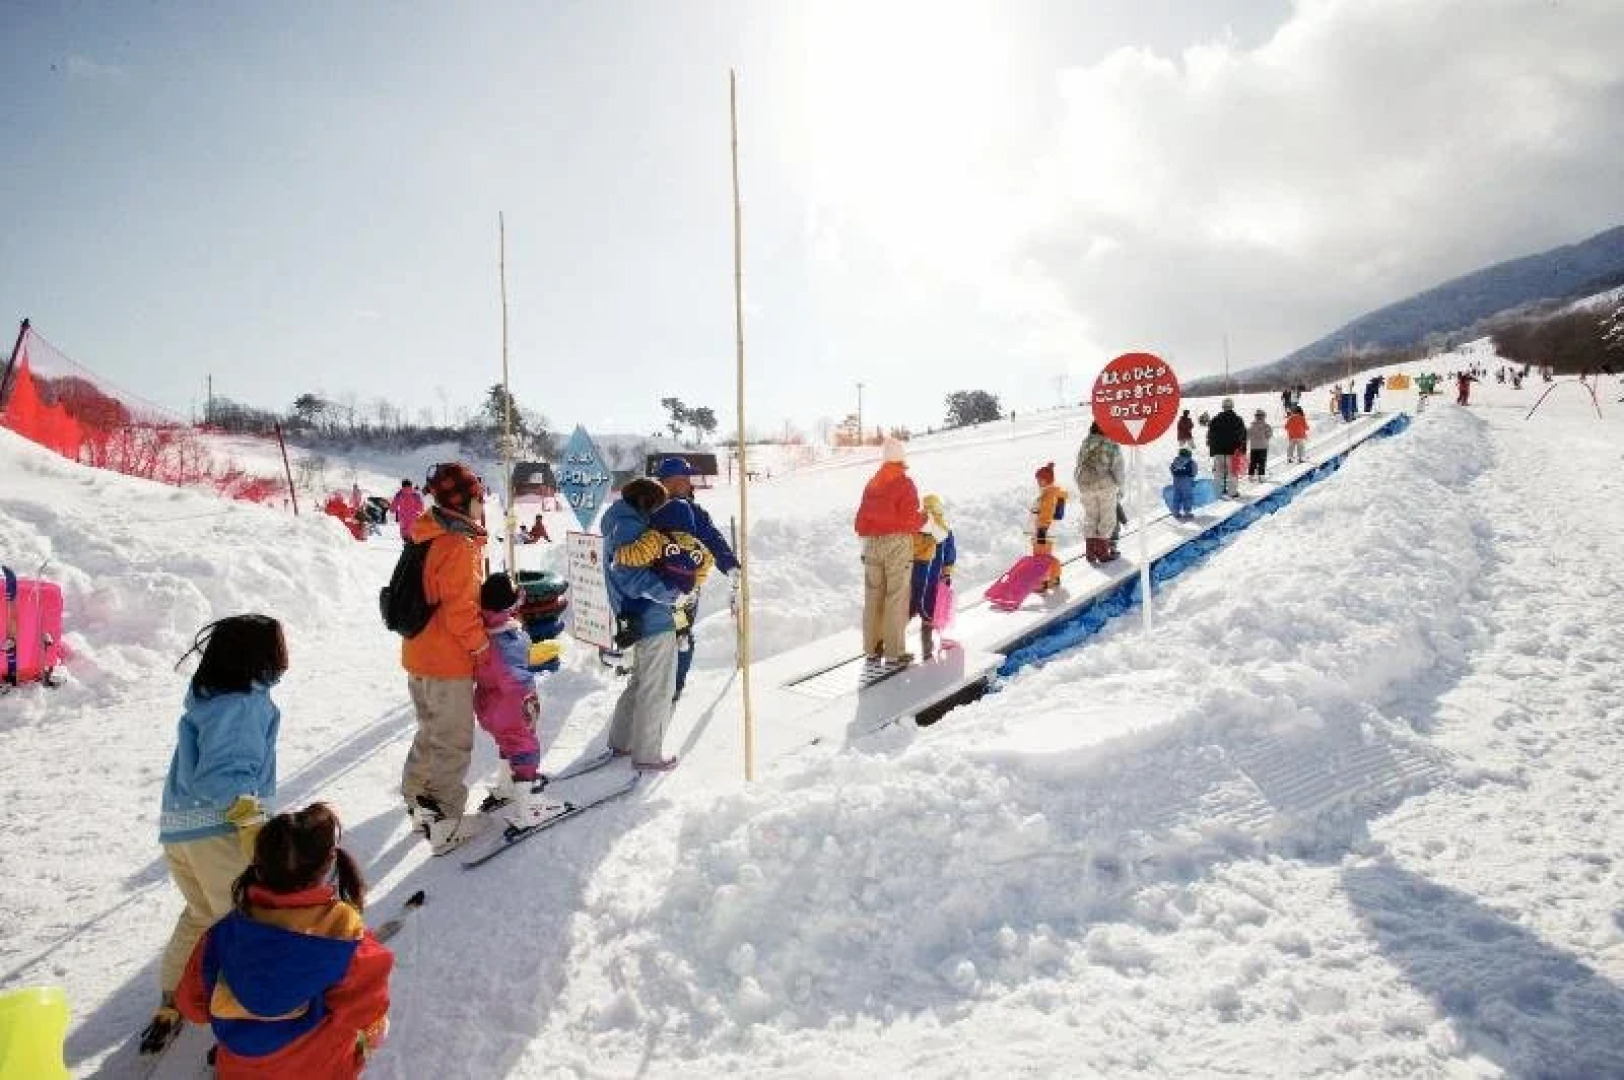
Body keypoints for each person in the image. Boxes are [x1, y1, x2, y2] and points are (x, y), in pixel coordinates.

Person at [142, 614, 287, 1057]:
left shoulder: (209, 700)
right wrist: (252, 827)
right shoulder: (243, 707)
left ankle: (172, 997)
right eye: (280, 645)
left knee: (203, 913)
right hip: (221, 833)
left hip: (181, 832)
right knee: (246, 925)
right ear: (258, 658)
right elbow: (224, 778)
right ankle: (247, 1020)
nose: (286, 654)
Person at [175, 803, 392, 1078]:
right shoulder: (345, 941)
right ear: (329, 865)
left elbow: (192, 1005)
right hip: (321, 1068)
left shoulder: (222, 935)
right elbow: (366, 1011)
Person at [401, 462, 490, 855]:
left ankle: (417, 801)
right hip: (447, 659)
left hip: (418, 652)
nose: (481, 505)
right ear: (466, 500)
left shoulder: (425, 532)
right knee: (452, 741)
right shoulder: (458, 544)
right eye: (478, 498)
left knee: (429, 730)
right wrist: (481, 647)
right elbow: (460, 609)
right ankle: (446, 823)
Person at [602, 478, 688, 769]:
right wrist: (673, 593)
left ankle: (622, 740)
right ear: (644, 502)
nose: (657, 513)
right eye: (655, 506)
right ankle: (647, 755)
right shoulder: (631, 528)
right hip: (652, 617)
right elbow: (633, 578)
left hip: (635, 617)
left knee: (639, 681)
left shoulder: (617, 523)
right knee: (657, 687)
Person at [473, 573, 562, 827]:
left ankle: (506, 786)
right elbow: (513, 674)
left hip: (489, 703)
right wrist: (537, 666)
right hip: (512, 703)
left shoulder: (483, 631)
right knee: (525, 747)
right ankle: (529, 807)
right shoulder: (507, 637)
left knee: (508, 741)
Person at [653, 457, 741, 700]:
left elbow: (713, 538)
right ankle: (654, 685)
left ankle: (675, 686)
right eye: (685, 479)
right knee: (655, 637)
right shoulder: (647, 506)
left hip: (687, 588)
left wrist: (730, 564)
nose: (690, 484)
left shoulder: (693, 510)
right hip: (653, 587)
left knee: (681, 634)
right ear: (670, 482)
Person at [854, 438, 925, 664]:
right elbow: (910, 521)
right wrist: (925, 517)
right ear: (902, 459)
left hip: (872, 544)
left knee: (873, 596)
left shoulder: (872, 484)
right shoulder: (905, 484)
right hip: (897, 544)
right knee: (896, 596)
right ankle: (894, 652)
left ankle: (872, 648)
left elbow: (860, 523)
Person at [910, 494, 956, 660]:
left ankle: (893, 648)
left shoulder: (915, 527)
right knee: (928, 614)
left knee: (908, 609)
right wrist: (947, 573)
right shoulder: (943, 529)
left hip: (913, 574)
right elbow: (949, 554)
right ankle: (927, 652)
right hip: (932, 577)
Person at [1072, 422, 1123, 564]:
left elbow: (1079, 462)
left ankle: (1090, 552)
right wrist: (1120, 485)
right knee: (1107, 517)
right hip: (1105, 484)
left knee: (1091, 516)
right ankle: (1102, 553)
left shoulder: (1085, 444)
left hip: (1085, 484)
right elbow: (1118, 467)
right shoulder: (1111, 444)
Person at [1028, 462, 1067, 592]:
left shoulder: (1049, 494)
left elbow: (1047, 512)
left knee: (1040, 558)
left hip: (1043, 531)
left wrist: (1042, 529)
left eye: (1041, 479)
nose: (1038, 482)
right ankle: (1054, 577)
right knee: (1046, 556)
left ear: (1047, 480)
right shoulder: (1050, 492)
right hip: (1046, 531)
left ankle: (1041, 583)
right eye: (1037, 479)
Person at [1205, 398, 1248, 499]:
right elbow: (1243, 436)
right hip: (1233, 452)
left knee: (1218, 473)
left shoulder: (1215, 419)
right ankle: (1232, 493)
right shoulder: (1238, 419)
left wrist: (1212, 449)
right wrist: (1243, 451)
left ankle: (1218, 493)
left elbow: (1210, 436)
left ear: (1223, 407)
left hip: (1218, 452)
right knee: (1232, 473)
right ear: (1232, 406)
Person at [1169, 447, 1198, 520]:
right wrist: (1192, 477)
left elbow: (1172, 469)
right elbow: (1194, 471)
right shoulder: (1191, 462)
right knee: (1187, 497)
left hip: (1176, 481)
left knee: (1176, 496)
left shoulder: (1175, 461)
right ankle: (1187, 513)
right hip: (1186, 480)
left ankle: (1175, 512)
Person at [1247, 409, 1273, 480]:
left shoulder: (1252, 426)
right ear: (1263, 416)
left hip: (1253, 447)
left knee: (1253, 462)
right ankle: (1261, 476)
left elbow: (1247, 436)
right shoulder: (1266, 426)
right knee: (1262, 462)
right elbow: (1269, 435)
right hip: (1263, 447)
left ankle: (1251, 475)